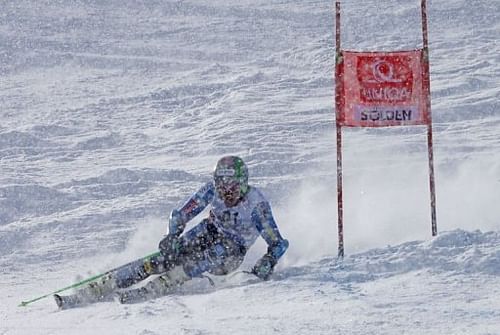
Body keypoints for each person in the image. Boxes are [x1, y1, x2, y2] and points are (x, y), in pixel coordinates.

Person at [54, 155, 289, 308]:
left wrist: (268, 260)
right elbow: (184, 211)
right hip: (209, 230)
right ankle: (101, 286)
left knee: (213, 252)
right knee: (164, 258)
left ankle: (157, 287)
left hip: (232, 251)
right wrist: (172, 235)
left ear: (243, 183)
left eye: (232, 186)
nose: (227, 192)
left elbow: (278, 243)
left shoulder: (256, 205)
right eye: (221, 185)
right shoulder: (212, 190)